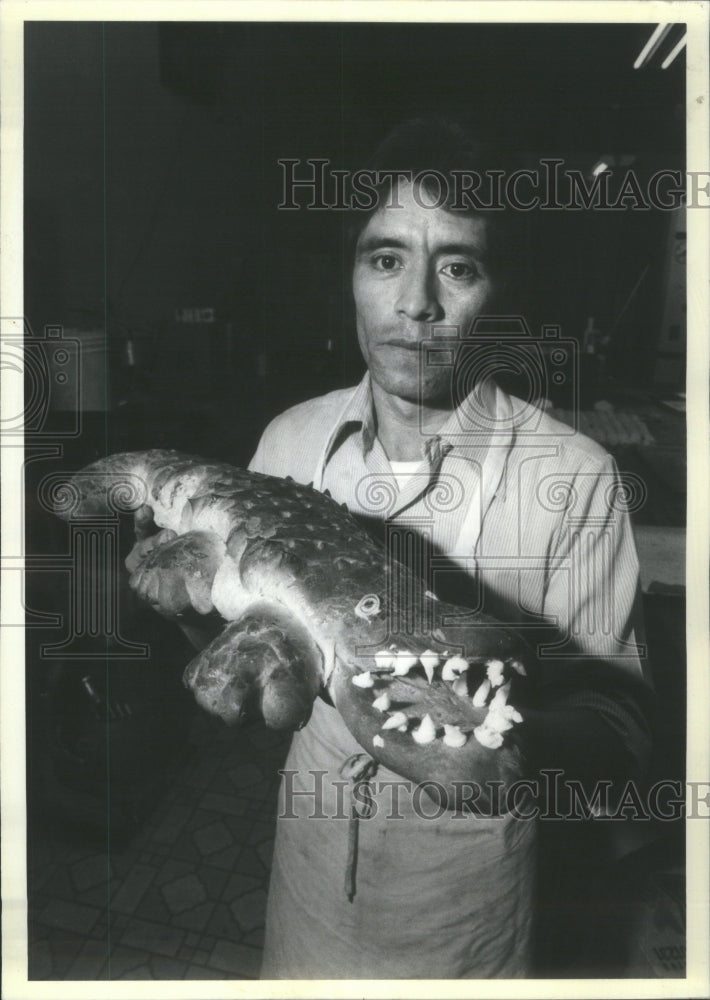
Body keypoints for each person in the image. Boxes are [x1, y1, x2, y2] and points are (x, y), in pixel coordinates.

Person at [130, 119, 653, 978]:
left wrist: (511, 748)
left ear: (497, 291)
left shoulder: (576, 477)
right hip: (306, 877)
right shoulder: (290, 442)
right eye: (385, 260)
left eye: (457, 265)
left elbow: (622, 721)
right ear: (353, 280)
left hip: (466, 905)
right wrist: (184, 613)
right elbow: (249, 650)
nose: (417, 303)